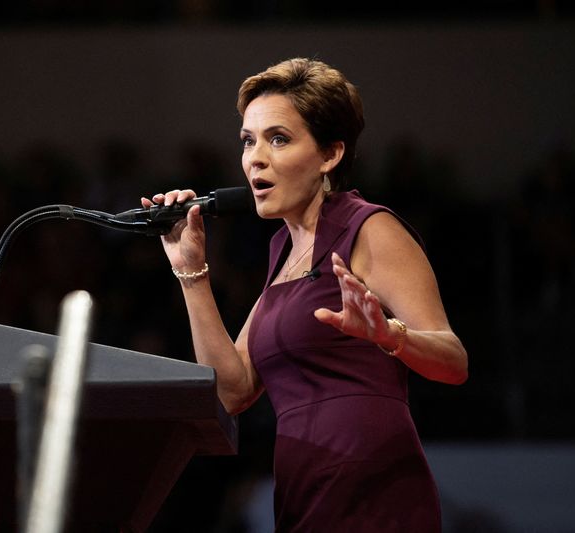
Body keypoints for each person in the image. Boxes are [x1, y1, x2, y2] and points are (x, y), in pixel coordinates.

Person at [141, 57, 468, 532]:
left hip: (373, 494)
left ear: (330, 154)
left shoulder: (368, 228)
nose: (255, 157)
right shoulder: (282, 249)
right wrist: (191, 271)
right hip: (303, 489)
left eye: (278, 139)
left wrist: (387, 333)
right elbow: (232, 390)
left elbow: (453, 360)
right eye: (248, 140)